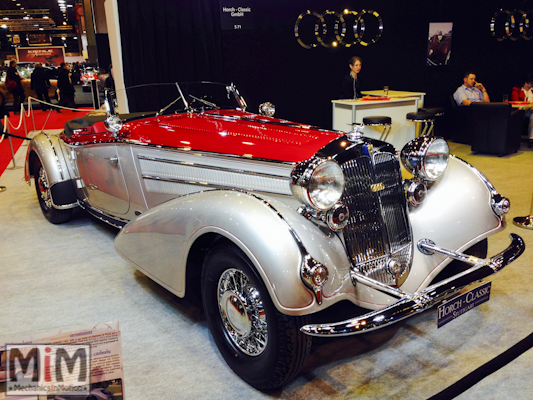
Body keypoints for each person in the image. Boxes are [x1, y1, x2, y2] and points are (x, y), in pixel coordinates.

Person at [510, 73, 533, 143]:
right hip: (520, 111)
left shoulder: (532, 90)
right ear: (523, 82)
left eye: (531, 84)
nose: (529, 85)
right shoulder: (517, 89)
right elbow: (515, 102)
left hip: (530, 111)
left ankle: (531, 139)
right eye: (527, 83)